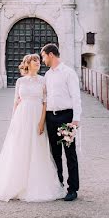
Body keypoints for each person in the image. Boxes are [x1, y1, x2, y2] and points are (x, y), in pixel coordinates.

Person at [0, 53, 64, 202]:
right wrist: (13, 122)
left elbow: (45, 102)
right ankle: (17, 183)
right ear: (27, 64)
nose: (37, 62)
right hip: (22, 117)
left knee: (37, 148)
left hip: (36, 116)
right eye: (34, 60)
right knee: (19, 148)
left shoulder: (43, 80)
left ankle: (35, 183)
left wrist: (42, 122)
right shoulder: (20, 81)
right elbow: (16, 102)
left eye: (38, 60)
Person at [41, 43, 81, 201]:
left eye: (43, 56)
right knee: (55, 154)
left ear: (51, 55)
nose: (43, 60)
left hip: (66, 117)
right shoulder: (47, 75)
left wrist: (76, 119)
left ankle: (73, 189)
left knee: (70, 153)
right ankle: (58, 185)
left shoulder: (68, 73)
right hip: (51, 117)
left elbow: (76, 96)